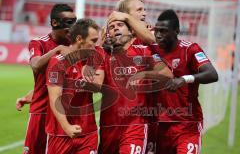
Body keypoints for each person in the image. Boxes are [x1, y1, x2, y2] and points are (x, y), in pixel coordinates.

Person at [97, 19, 173, 154]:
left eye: (120, 25)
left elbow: (167, 75)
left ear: (131, 31)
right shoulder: (104, 54)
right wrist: (98, 46)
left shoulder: (144, 52)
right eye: (111, 27)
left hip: (135, 125)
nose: (115, 28)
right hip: (108, 126)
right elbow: (95, 84)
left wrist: (144, 74)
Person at [153, 9, 218, 154]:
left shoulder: (190, 49)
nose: (158, 35)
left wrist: (184, 79)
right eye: (156, 31)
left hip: (187, 125)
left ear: (176, 30)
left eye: (163, 31)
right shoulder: (152, 51)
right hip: (159, 126)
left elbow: (212, 74)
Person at [17, 4, 76, 154]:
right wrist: (57, 50)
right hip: (41, 112)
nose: (73, 26)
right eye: (69, 22)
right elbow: (36, 65)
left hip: (64, 114)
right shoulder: (39, 43)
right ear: (55, 23)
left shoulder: (75, 47)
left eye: (75, 21)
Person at [45, 18, 101, 154]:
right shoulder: (57, 63)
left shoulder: (93, 60)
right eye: (93, 41)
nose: (96, 45)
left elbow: (99, 87)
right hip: (60, 133)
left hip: (88, 133)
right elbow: (55, 98)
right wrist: (67, 127)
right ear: (79, 39)